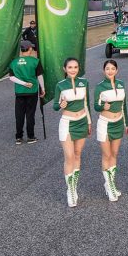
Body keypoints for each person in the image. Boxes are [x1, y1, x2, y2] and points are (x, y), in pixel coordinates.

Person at [52, 57, 89, 207]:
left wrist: (89, 122)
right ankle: (70, 190)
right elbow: (55, 106)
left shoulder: (84, 82)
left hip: (82, 121)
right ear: (65, 69)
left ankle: (74, 187)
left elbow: (86, 103)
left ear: (78, 68)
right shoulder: (60, 85)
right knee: (69, 156)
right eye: (70, 67)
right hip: (67, 123)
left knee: (78, 154)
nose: (73, 70)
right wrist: (60, 105)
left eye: (75, 67)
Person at [93, 59, 128, 201]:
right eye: (107, 69)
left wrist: (126, 123)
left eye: (113, 68)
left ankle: (111, 184)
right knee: (106, 155)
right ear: (104, 71)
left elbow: (123, 105)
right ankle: (109, 186)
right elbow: (96, 106)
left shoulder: (121, 84)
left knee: (114, 154)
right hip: (105, 124)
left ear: (116, 70)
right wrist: (103, 107)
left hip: (118, 123)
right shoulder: (100, 86)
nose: (110, 71)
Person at [8, 41, 44, 144]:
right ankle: (31, 137)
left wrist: (23, 83)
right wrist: (43, 88)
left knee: (19, 114)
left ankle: (18, 137)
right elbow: (39, 76)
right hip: (32, 91)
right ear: (30, 49)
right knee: (30, 114)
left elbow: (11, 78)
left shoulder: (13, 62)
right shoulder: (35, 61)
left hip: (19, 92)